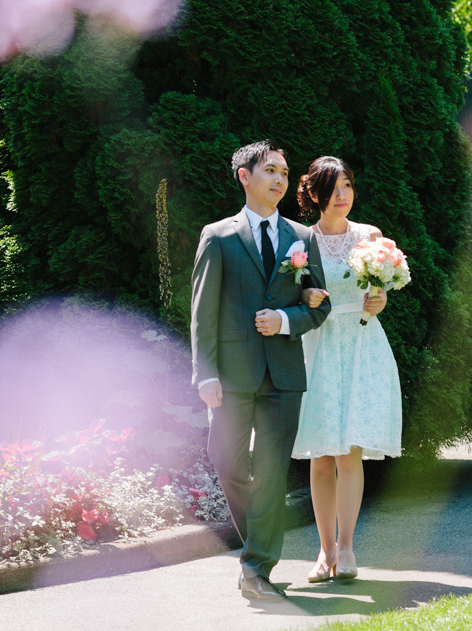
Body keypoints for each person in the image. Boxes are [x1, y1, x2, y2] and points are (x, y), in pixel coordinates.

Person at [191, 140, 331, 600]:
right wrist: (205, 373)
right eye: (270, 170)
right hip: (231, 375)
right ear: (245, 176)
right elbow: (202, 312)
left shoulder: (303, 238)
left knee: (271, 472)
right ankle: (260, 545)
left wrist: (287, 320)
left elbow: (318, 304)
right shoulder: (219, 235)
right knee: (228, 462)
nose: (280, 180)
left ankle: (255, 569)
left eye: (285, 174)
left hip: (284, 376)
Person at [291, 156, 402, 583]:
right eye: (333, 188)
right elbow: (289, 291)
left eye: (348, 186)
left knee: (350, 450)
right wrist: (305, 299)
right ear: (315, 193)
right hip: (318, 345)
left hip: (361, 344)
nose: (343, 196)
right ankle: (323, 551)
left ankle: (349, 547)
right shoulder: (301, 241)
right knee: (321, 455)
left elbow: (380, 289)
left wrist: (381, 300)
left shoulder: (370, 237)